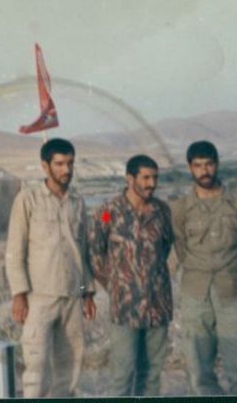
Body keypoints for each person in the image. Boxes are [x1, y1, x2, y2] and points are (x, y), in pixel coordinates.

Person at [5, 138, 96, 398]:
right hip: (39, 298)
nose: (66, 170)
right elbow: (14, 251)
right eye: (59, 164)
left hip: (72, 298)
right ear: (45, 166)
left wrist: (86, 293)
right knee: (36, 367)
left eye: (70, 163)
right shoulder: (28, 199)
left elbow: (82, 254)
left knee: (70, 368)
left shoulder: (77, 202)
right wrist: (19, 295)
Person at [170, 141, 237, 395]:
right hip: (195, 293)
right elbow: (181, 248)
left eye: (209, 164)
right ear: (190, 168)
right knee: (199, 370)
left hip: (230, 290)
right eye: (198, 165)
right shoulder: (181, 208)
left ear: (217, 164)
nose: (204, 170)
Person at [88, 154, 173, 396]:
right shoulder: (108, 212)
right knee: (122, 375)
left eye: (155, 178)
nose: (151, 184)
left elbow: (165, 248)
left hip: (158, 306)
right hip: (125, 309)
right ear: (129, 178)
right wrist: (116, 285)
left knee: (152, 374)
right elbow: (95, 252)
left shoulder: (162, 211)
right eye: (145, 178)